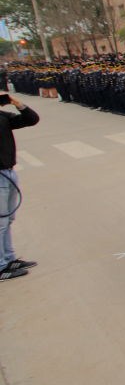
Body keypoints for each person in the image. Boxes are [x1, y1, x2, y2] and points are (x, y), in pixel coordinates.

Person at [0, 92, 39, 281]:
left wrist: (17, 103)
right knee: (0, 222)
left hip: (7, 172)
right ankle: (0, 266)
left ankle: (8, 258)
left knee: (7, 220)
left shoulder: (3, 117)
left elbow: (31, 119)